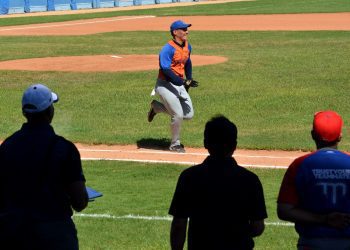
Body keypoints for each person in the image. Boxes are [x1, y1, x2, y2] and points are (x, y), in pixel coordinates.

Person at [0, 84, 88, 250]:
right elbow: (80, 202)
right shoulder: (64, 148)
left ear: (24, 112)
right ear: (49, 112)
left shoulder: (7, 147)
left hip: (13, 233)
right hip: (55, 235)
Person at [169, 115, 267, 250]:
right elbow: (258, 227)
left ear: (205, 143)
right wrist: (234, 233)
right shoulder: (250, 180)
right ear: (235, 145)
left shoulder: (189, 178)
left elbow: (179, 224)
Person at [277, 110, 350, 249]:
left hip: (311, 244)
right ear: (340, 136)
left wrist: (323, 219)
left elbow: (284, 210)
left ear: (312, 135)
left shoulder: (299, 165)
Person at [147, 20, 199, 153]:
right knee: (178, 114)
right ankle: (175, 144)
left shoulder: (187, 45)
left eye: (186, 28)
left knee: (188, 115)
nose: (186, 31)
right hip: (165, 85)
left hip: (179, 83)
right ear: (175, 32)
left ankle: (156, 107)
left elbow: (187, 62)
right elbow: (165, 70)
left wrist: (189, 78)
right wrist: (183, 82)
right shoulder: (167, 49)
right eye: (183, 29)